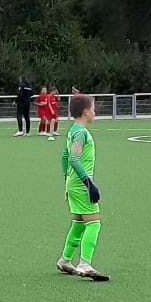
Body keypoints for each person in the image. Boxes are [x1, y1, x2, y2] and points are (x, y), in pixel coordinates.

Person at [56, 94, 107, 281]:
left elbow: (64, 156)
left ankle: (65, 260)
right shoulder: (81, 133)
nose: (95, 112)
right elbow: (74, 158)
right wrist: (88, 183)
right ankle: (85, 263)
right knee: (94, 223)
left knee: (78, 222)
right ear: (86, 111)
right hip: (81, 185)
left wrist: (67, 180)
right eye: (93, 108)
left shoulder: (73, 130)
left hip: (74, 183)